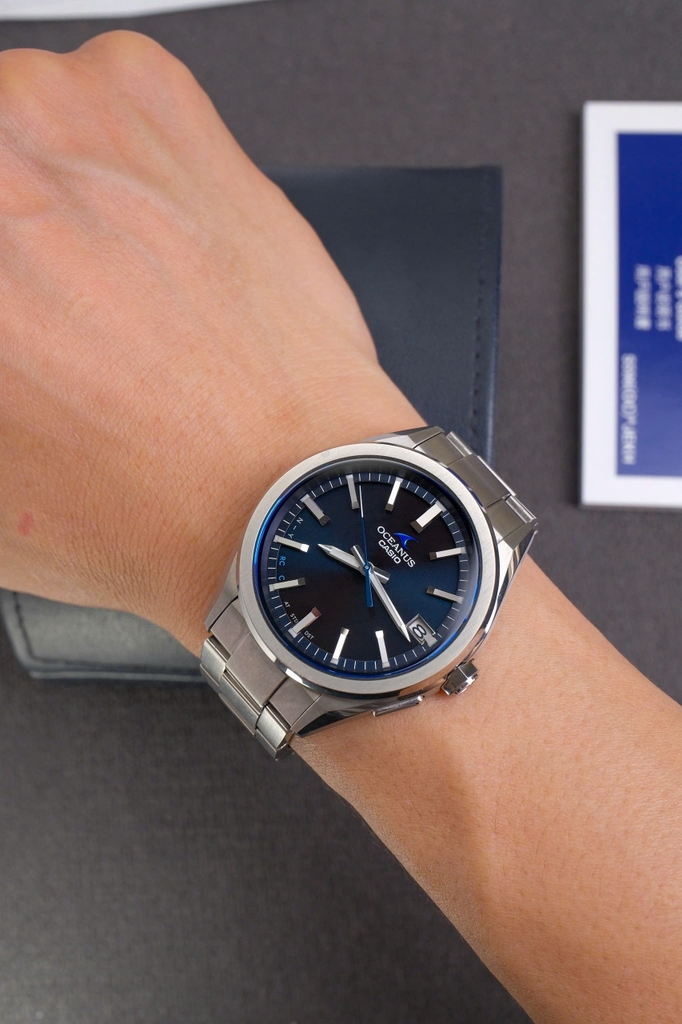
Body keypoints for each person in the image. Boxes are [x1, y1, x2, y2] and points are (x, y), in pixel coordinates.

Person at [1, 31, 680, 1023]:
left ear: (454, 673)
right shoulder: (437, 546)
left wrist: (230, 463)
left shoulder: (425, 633)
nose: (372, 575)